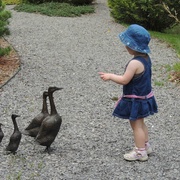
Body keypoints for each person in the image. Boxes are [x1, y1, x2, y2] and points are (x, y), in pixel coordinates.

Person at [98, 24, 158, 161]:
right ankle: (146, 145)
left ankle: (140, 152)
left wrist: (110, 76)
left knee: (136, 125)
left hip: (136, 99)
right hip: (145, 97)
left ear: (133, 46)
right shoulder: (146, 58)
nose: (125, 46)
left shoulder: (134, 63)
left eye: (127, 44)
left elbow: (125, 80)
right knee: (141, 123)